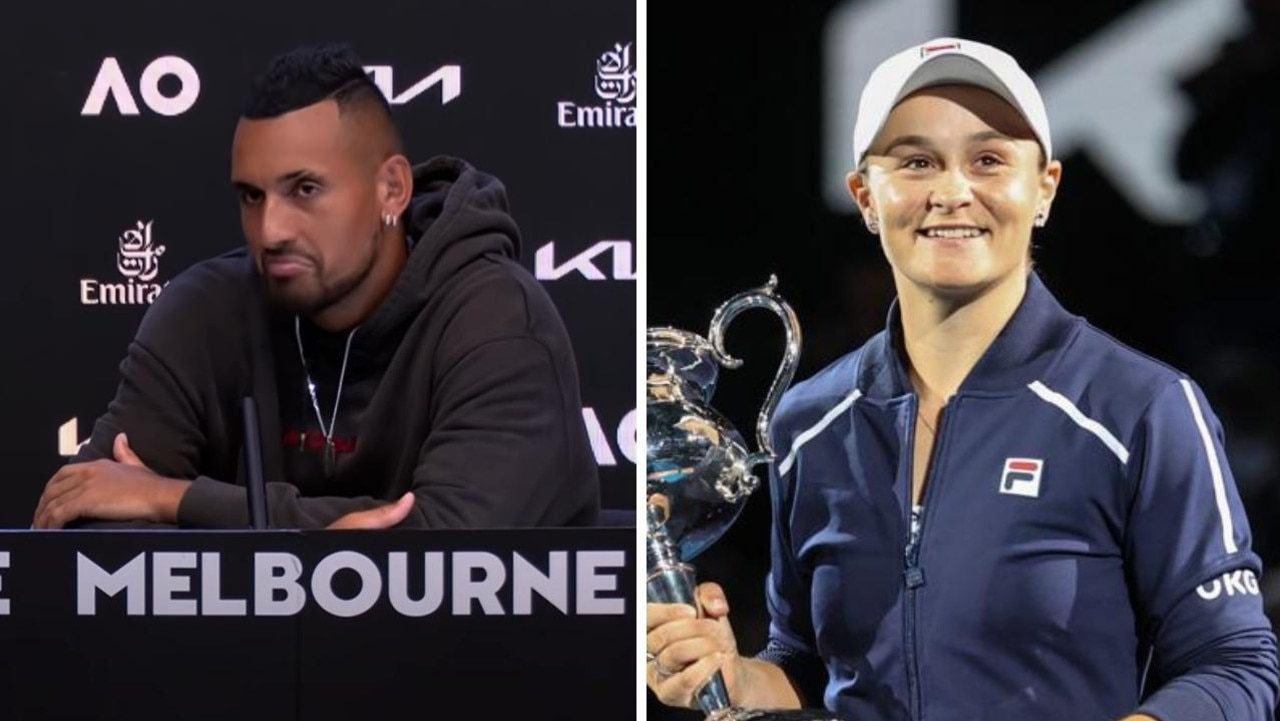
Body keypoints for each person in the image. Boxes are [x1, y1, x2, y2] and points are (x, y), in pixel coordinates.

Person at [646, 37, 1278, 720]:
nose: (951, 190)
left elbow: (1234, 668)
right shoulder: (811, 422)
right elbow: (810, 662)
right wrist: (734, 673)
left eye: (988, 159)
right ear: (865, 195)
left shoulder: (1140, 409)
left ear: (1044, 188)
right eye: (916, 161)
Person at [30, 43, 600, 531]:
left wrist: (174, 499)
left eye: (304, 189)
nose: (271, 231)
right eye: (252, 196)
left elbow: (452, 558)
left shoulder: (497, 320)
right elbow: (87, 515)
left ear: (392, 190)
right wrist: (329, 552)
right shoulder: (203, 312)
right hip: (241, 662)